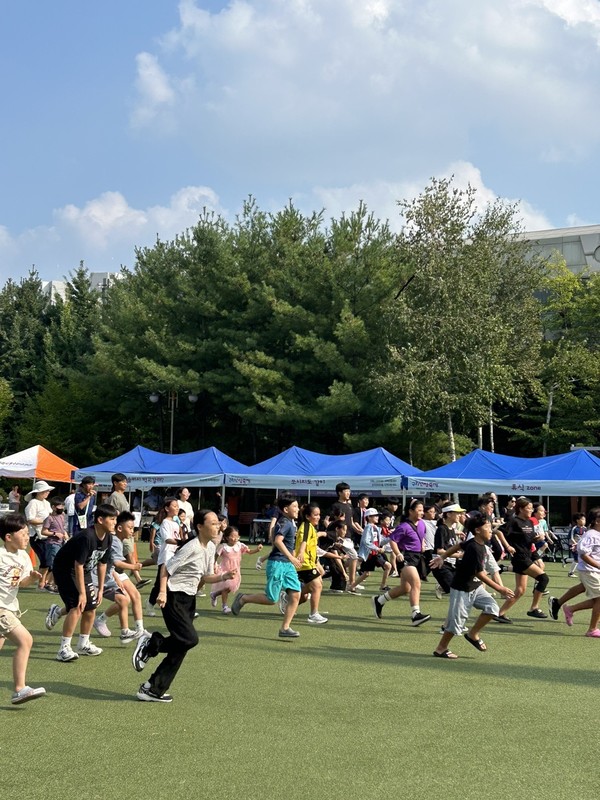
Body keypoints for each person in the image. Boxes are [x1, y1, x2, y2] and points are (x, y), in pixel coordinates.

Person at [131, 509, 236, 703]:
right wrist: (162, 592)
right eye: (213, 523)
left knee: (182, 645)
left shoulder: (211, 547)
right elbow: (166, 568)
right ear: (199, 526)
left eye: (218, 523)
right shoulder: (192, 546)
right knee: (190, 639)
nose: (218, 526)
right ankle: (151, 644)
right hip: (173, 595)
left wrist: (223, 576)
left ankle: (153, 689)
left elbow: (204, 576)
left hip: (188, 598)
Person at [432, 512, 515, 659]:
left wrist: (443, 557)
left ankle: (473, 634)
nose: (491, 530)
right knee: (455, 622)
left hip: (475, 588)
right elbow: (480, 574)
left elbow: (458, 545)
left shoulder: (476, 543)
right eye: (488, 527)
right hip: (462, 589)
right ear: (477, 530)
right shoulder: (475, 548)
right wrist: (500, 588)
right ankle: (441, 648)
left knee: (492, 609)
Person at [48, 503, 117, 661]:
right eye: (112, 519)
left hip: (82, 570)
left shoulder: (109, 537)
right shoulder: (87, 537)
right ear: (100, 519)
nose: (115, 522)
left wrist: (99, 589)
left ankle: (83, 644)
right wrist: (81, 593)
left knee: (91, 607)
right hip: (65, 570)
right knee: (77, 606)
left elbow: (102, 563)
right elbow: (77, 564)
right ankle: (63, 649)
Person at [231, 495, 303, 638]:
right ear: (285, 509)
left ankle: (285, 628)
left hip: (287, 565)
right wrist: (291, 557)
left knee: (295, 594)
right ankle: (243, 598)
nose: (297, 509)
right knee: (272, 599)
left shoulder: (290, 522)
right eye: (294, 506)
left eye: (297, 506)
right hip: (278, 564)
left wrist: (292, 557)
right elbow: (277, 541)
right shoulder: (285, 523)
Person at [0, 513, 46, 704]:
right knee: (25, 640)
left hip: (10, 608)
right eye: (24, 533)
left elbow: (22, 582)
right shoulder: (1, 555)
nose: (28, 537)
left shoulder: (25, 556)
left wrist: (33, 578)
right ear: (8, 537)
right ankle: (20, 688)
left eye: (28, 533)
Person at [372, 498, 431, 626]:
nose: (422, 513)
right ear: (411, 511)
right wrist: (398, 554)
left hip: (417, 557)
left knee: (405, 588)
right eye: (419, 510)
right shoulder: (403, 526)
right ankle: (416, 614)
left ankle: (379, 600)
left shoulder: (422, 524)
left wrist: (422, 544)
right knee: (416, 583)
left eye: (422, 510)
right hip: (405, 557)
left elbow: (421, 535)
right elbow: (393, 540)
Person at [495, 497, 549, 623]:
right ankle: (534, 608)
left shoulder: (529, 522)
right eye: (528, 508)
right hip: (520, 558)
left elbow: (528, 540)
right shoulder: (514, 521)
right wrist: (507, 546)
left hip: (527, 555)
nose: (531, 510)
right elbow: (499, 531)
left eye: (531, 508)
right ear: (520, 509)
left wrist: (536, 539)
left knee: (520, 590)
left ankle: (499, 613)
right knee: (543, 578)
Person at [555, 509, 600, 636]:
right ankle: (592, 630)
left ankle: (570, 609)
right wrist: (597, 565)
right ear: (597, 521)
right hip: (590, 571)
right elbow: (583, 553)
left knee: (596, 599)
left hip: (594, 571)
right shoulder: (591, 534)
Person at [281, 502, 328, 624]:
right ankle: (313, 614)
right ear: (308, 516)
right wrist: (301, 553)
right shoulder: (306, 526)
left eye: (319, 515)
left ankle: (287, 598)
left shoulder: (311, 527)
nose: (318, 517)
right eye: (315, 515)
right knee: (317, 585)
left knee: (316, 585)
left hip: (309, 562)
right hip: (304, 563)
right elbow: (304, 541)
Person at [210, 526, 262, 613]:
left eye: (237, 536)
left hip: (235, 571)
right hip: (225, 570)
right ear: (226, 537)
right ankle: (224, 607)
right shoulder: (223, 547)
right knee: (226, 588)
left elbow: (249, 551)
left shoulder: (240, 545)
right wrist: (214, 565)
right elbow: (215, 557)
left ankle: (214, 594)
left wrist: (257, 550)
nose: (235, 539)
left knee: (229, 588)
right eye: (232, 536)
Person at [24, 479, 54, 590]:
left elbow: (51, 515)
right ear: (39, 492)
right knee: (46, 561)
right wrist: (46, 521)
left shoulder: (47, 503)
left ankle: (43, 582)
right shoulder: (33, 503)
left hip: (48, 535)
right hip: (37, 536)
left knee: (49, 561)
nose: (48, 492)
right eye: (45, 491)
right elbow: (30, 519)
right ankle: (39, 582)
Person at [432, 503, 465, 599]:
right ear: (449, 514)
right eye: (457, 513)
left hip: (451, 564)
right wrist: (459, 555)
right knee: (456, 592)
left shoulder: (452, 529)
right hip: (440, 565)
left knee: (460, 588)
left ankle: (442, 587)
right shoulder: (441, 529)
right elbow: (439, 551)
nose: (460, 515)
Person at [355, 508, 392, 592]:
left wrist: (391, 537)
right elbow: (366, 541)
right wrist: (377, 548)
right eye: (375, 516)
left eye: (377, 516)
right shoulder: (368, 527)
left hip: (374, 554)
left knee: (366, 574)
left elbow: (380, 541)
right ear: (369, 517)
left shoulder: (376, 528)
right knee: (387, 566)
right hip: (371, 554)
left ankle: (351, 586)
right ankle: (382, 586)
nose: (377, 517)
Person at [40, 496, 68, 592]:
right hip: (52, 544)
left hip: (61, 543)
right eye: (59, 506)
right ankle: (50, 584)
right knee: (54, 565)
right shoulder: (49, 518)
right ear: (53, 507)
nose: (62, 507)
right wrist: (55, 534)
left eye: (62, 505)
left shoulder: (62, 516)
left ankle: (48, 583)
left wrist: (65, 535)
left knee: (58, 564)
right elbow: (43, 531)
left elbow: (62, 528)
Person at [568, 512, 586, 577]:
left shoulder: (585, 529)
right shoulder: (574, 528)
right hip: (574, 546)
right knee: (577, 559)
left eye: (584, 519)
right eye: (582, 519)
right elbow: (571, 538)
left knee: (579, 559)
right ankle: (570, 573)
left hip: (581, 546)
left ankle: (565, 560)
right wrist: (575, 544)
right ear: (577, 520)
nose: (584, 521)